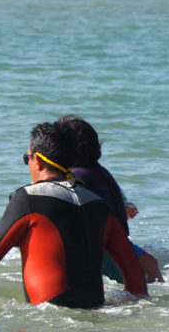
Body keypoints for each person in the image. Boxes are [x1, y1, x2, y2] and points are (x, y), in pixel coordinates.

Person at [0, 121, 147, 308]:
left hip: (50, 326)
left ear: (38, 161)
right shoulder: (98, 204)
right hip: (95, 321)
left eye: (27, 158)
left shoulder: (28, 198)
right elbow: (136, 280)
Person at [56, 114, 163, 283]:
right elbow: (113, 193)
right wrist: (125, 204)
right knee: (151, 269)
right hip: (117, 240)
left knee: (137, 279)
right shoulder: (99, 170)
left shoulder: (75, 176)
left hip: (102, 246)